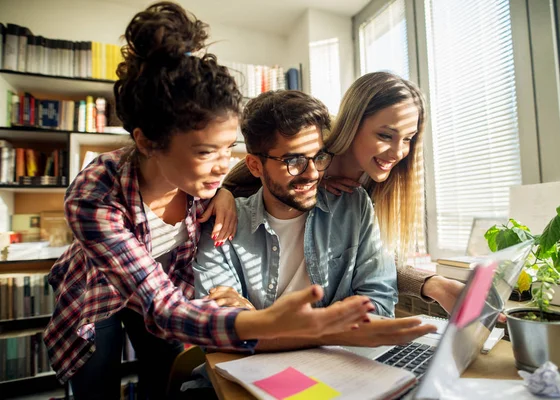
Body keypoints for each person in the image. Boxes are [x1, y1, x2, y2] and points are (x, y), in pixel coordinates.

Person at [42, 4, 373, 399]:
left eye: (227, 149)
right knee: (95, 386)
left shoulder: (207, 185)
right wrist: (266, 324)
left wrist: (232, 191)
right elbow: (162, 308)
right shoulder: (95, 194)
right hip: (99, 297)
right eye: (204, 153)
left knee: (162, 380)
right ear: (147, 141)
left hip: (166, 293)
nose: (221, 167)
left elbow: (273, 169)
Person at [194, 90, 437, 350]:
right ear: (254, 166)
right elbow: (221, 329)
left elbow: (379, 303)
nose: (312, 174)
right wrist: (330, 327)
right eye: (294, 160)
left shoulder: (353, 205)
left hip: (339, 365)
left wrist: (259, 325)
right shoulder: (222, 222)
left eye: (319, 157)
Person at [223, 72, 465, 314]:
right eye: (385, 135)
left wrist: (431, 284)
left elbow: (375, 266)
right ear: (353, 124)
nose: (397, 152)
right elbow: (248, 171)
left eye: (408, 139)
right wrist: (222, 195)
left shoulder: (373, 189)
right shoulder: (313, 141)